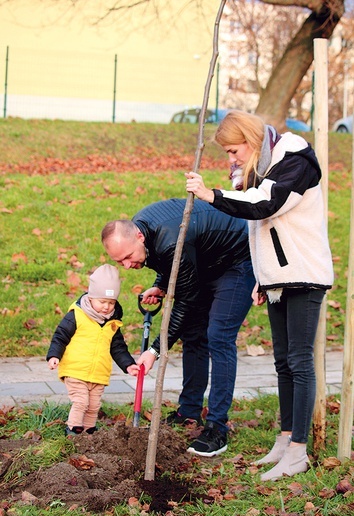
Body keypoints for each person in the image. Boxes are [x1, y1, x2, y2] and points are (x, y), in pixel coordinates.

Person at [185, 110, 334, 480]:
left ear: (252, 142)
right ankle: (286, 439)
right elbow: (262, 229)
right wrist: (262, 278)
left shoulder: (296, 162)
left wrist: (211, 195)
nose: (231, 160)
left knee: (299, 361)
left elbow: (263, 204)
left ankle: (299, 450)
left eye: (234, 151)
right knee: (283, 361)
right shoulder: (266, 168)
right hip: (279, 277)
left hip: (304, 274)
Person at [101, 198, 255, 457]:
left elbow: (184, 298)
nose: (127, 265)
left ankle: (217, 427)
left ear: (138, 236)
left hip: (237, 259)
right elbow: (170, 259)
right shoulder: (144, 233)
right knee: (194, 334)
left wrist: (154, 350)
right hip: (205, 260)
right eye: (120, 262)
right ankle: (189, 411)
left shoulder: (168, 239)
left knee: (218, 336)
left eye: (128, 257)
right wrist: (161, 283)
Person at [47, 264, 139, 436]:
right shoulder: (77, 315)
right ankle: (73, 430)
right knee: (81, 402)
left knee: (94, 405)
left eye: (111, 303)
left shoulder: (112, 323)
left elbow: (118, 347)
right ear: (90, 297)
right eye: (102, 301)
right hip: (76, 370)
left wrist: (128, 365)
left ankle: (89, 432)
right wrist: (54, 355)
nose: (106, 307)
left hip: (98, 373)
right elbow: (60, 336)